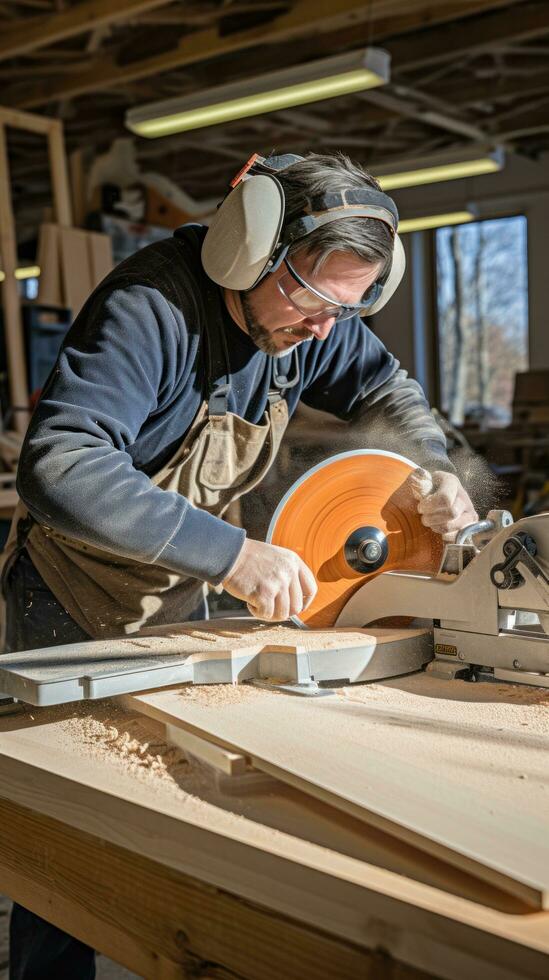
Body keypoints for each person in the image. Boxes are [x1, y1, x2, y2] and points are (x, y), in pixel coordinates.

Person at [2, 151, 477, 978]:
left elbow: (385, 387)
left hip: (175, 596)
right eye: (315, 299)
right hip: (71, 602)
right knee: (66, 856)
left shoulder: (307, 317)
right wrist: (232, 555)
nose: (328, 327)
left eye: (350, 303)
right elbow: (59, 465)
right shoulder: (149, 308)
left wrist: (432, 467)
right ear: (245, 248)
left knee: (169, 817)